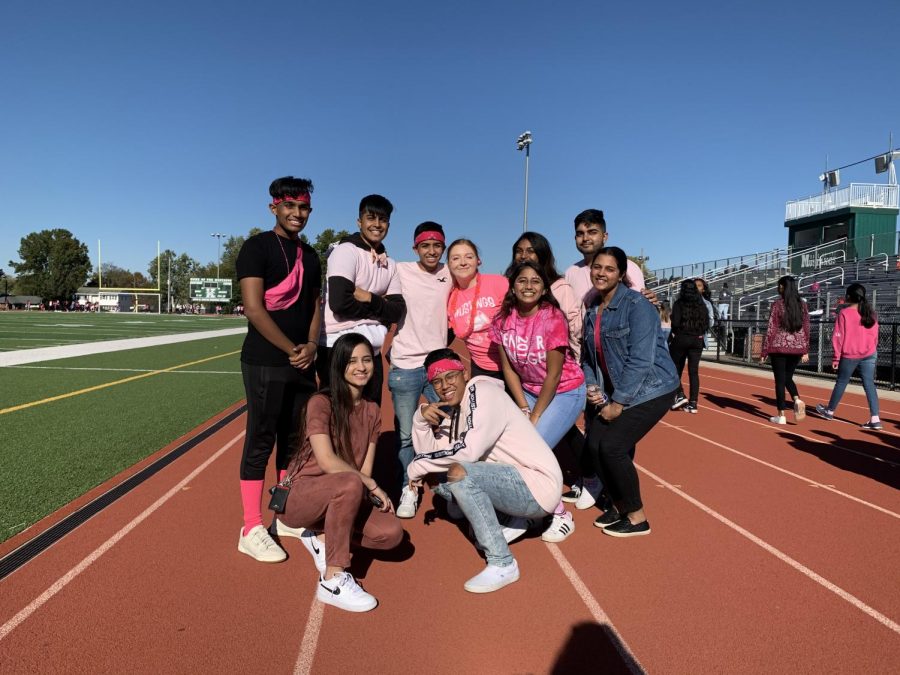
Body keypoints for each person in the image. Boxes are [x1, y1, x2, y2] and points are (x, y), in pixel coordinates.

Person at [409, 348, 563, 593]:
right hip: (516, 482)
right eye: (436, 381)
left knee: (460, 473)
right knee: (443, 484)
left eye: (450, 376)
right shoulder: (459, 410)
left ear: (465, 373)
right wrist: (420, 420)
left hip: (538, 486)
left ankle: (503, 563)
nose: (444, 385)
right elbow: (432, 451)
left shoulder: (483, 393)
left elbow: (467, 453)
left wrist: (416, 467)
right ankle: (512, 518)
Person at [271, 334, 403, 612]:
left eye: (367, 360)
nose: (361, 367)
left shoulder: (372, 410)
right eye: (352, 361)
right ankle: (332, 580)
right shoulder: (321, 403)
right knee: (350, 482)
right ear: (339, 366)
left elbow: (364, 468)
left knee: (391, 534)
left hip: (345, 492)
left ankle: (321, 535)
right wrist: (371, 484)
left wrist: (370, 491)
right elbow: (328, 461)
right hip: (300, 497)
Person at [235, 176, 322, 563]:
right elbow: (254, 307)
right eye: (290, 206)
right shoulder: (256, 247)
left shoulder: (313, 255)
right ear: (274, 207)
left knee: (293, 442)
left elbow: (315, 307)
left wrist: (312, 346)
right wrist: (292, 349)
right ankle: (251, 526)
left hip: (302, 361)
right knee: (260, 440)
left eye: (303, 207)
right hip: (266, 360)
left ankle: (283, 516)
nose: (297, 214)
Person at [580, 247, 679, 537]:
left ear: (621, 274)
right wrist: (593, 386)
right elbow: (587, 358)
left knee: (612, 447)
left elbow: (641, 360)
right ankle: (619, 504)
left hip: (653, 388)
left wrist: (618, 403)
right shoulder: (593, 311)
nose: (601, 273)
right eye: (597, 267)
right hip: (617, 388)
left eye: (610, 269)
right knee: (595, 443)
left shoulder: (637, 306)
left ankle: (637, 518)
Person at [490, 261, 586, 542]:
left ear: (544, 288)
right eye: (522, 280)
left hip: (565, 390)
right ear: (512, 285)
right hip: (529, 391)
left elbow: (554, 375)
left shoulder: (552, 318)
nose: (528, 285)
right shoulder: (502, 321)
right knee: (507, 446)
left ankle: (558, 514)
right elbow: (508, 369)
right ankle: (524, 511)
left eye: (535, 280)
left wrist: (533, 417)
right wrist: (522, 406)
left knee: (534, 450)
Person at [389, 222, 452, 519]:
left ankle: (448, 486)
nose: (431, 250)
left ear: (443, 247)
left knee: (447, 427)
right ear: (415, 248)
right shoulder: (400, 269)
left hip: (438, 366)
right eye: (425, 245)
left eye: (436, 245)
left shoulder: (449, 273)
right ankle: (410, 486)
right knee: (405, 435)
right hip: (404, 363)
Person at [318, 194, 405, 403]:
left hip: (371, 352)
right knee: (337, 416)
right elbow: (340, 303)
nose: (377, 224)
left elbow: (397, 311)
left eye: (382, 219)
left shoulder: (390, 264)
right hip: (337, 348)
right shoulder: (345, 252)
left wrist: (368, 297)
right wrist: (380, 310)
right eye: (371, 218)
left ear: (389, 224)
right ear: (360, 222)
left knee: (370, 414)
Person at [815, 283, 881, 430]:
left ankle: (830, 411)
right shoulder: (871, 313)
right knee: (869, 384)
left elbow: (838, 336)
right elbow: (875, 335)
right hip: (869, 354)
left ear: (849, 296)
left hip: (850, 354)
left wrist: (836, 357)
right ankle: (875, 418)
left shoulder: (844, 313)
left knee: (841, 382)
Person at [446, 239, 508, 378]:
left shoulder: (498, 283)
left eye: (469, 256)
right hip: (481, 368)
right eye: (455, 258)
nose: (463, 262)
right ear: (449, 265)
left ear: (478, 260)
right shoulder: (450, 298)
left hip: (513, 365)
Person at [564, 209, 645, 306]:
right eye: (580, 234)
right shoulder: (570, 273)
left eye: (592, 232)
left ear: (604, 237)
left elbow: (639, 306)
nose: (585, 238)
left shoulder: (628, 267)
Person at [761, 275, 810, 425]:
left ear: (782, 287)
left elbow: (771, 328)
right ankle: (796, 398)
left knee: (779, 381)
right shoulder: (802, 305)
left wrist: (764, 351)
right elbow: (807, 327)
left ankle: (781, 414)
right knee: (787, 377)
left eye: (779, 285)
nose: (778, 288)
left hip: (779, 347)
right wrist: (805, 349)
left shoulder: (777, 305)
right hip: (797, 348)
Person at [670, 279, 710, 413]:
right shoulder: (701, 305)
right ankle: (693, 403)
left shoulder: (678, 303)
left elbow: (675, 323)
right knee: (694, 372)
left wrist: (678, 331)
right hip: (697, 339)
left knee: (674, 367)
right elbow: (706, 323)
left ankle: (680, 394)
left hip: (682, 337)